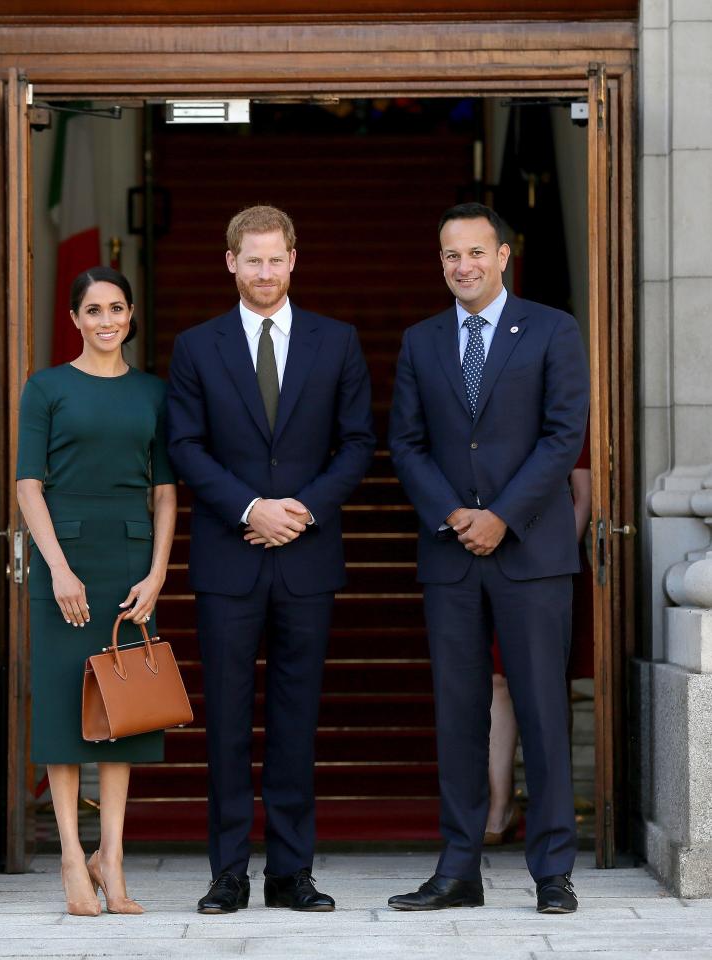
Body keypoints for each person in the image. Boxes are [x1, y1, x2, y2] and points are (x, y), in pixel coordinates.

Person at [167, 205, 375, 914]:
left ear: (294, 259)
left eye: (274, 259)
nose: (263, 272)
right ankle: (227, 873)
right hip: (230, 557)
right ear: (230, 262)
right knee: (224, 723)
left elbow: (356, 443)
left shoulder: (337, 341)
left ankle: (291, 874)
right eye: (250, 260)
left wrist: (302, 509)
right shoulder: (196, 347)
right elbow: (185, 446)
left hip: (307, 558)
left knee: (295, 721)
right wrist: (250, 507)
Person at [387, 202, 589, 914]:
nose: (462, 266)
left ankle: (553, 871)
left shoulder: (553, 330)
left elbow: (564, 436)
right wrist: (453, 514)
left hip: (531, 552)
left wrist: (502, 516)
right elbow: (405, 444)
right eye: (450, 256)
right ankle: (458, 869)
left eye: (475, 253)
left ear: (503, 256)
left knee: (541, 710)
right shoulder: (421, 341)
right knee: (459, 713)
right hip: (450, 554)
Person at [16, 266, 177, 917]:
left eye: (116, 308)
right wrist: (56, 567)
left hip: (130, 561)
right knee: (62, 714)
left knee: (124, 710)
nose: (106, 319)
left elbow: (165, 489)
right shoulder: (46, 387)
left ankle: (110, 857)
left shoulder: (153, 393)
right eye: (93, 310)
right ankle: (68, 857)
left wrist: (159, 571)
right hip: (65, 557)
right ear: (76, 319)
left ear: (131, 314)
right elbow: (29, 483)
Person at [484, 432, 592, 846]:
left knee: (548, 683)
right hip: (490, 557)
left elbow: (582, 496)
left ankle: (551, 809)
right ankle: (500, 806)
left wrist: (557, 555)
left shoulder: (563, 409)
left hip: (551, 566)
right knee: (498, 680)